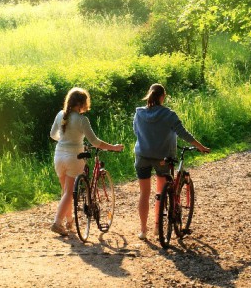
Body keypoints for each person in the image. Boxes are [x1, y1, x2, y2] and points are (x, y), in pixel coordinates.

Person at [133, 83, 210, 240]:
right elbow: (184, 134)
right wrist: (200, 146)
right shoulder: (168, 114)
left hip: (142, 156)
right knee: (160, 193)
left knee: (144, 193)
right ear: (162, 97)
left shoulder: (139, 114)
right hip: (163, 157)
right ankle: (156, 226)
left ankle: (143, 230)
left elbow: (136, 132)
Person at [49, 87, 124, 236]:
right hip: (74, 157)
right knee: (69, 192)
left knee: (66, 192)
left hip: (59, 156)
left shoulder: (60, 115)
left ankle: (69, 222)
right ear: (82, 103)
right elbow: (95, 142)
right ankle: (57, 223)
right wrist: (113, 147)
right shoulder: (82, 120)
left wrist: (65, 140)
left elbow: (53, 135)